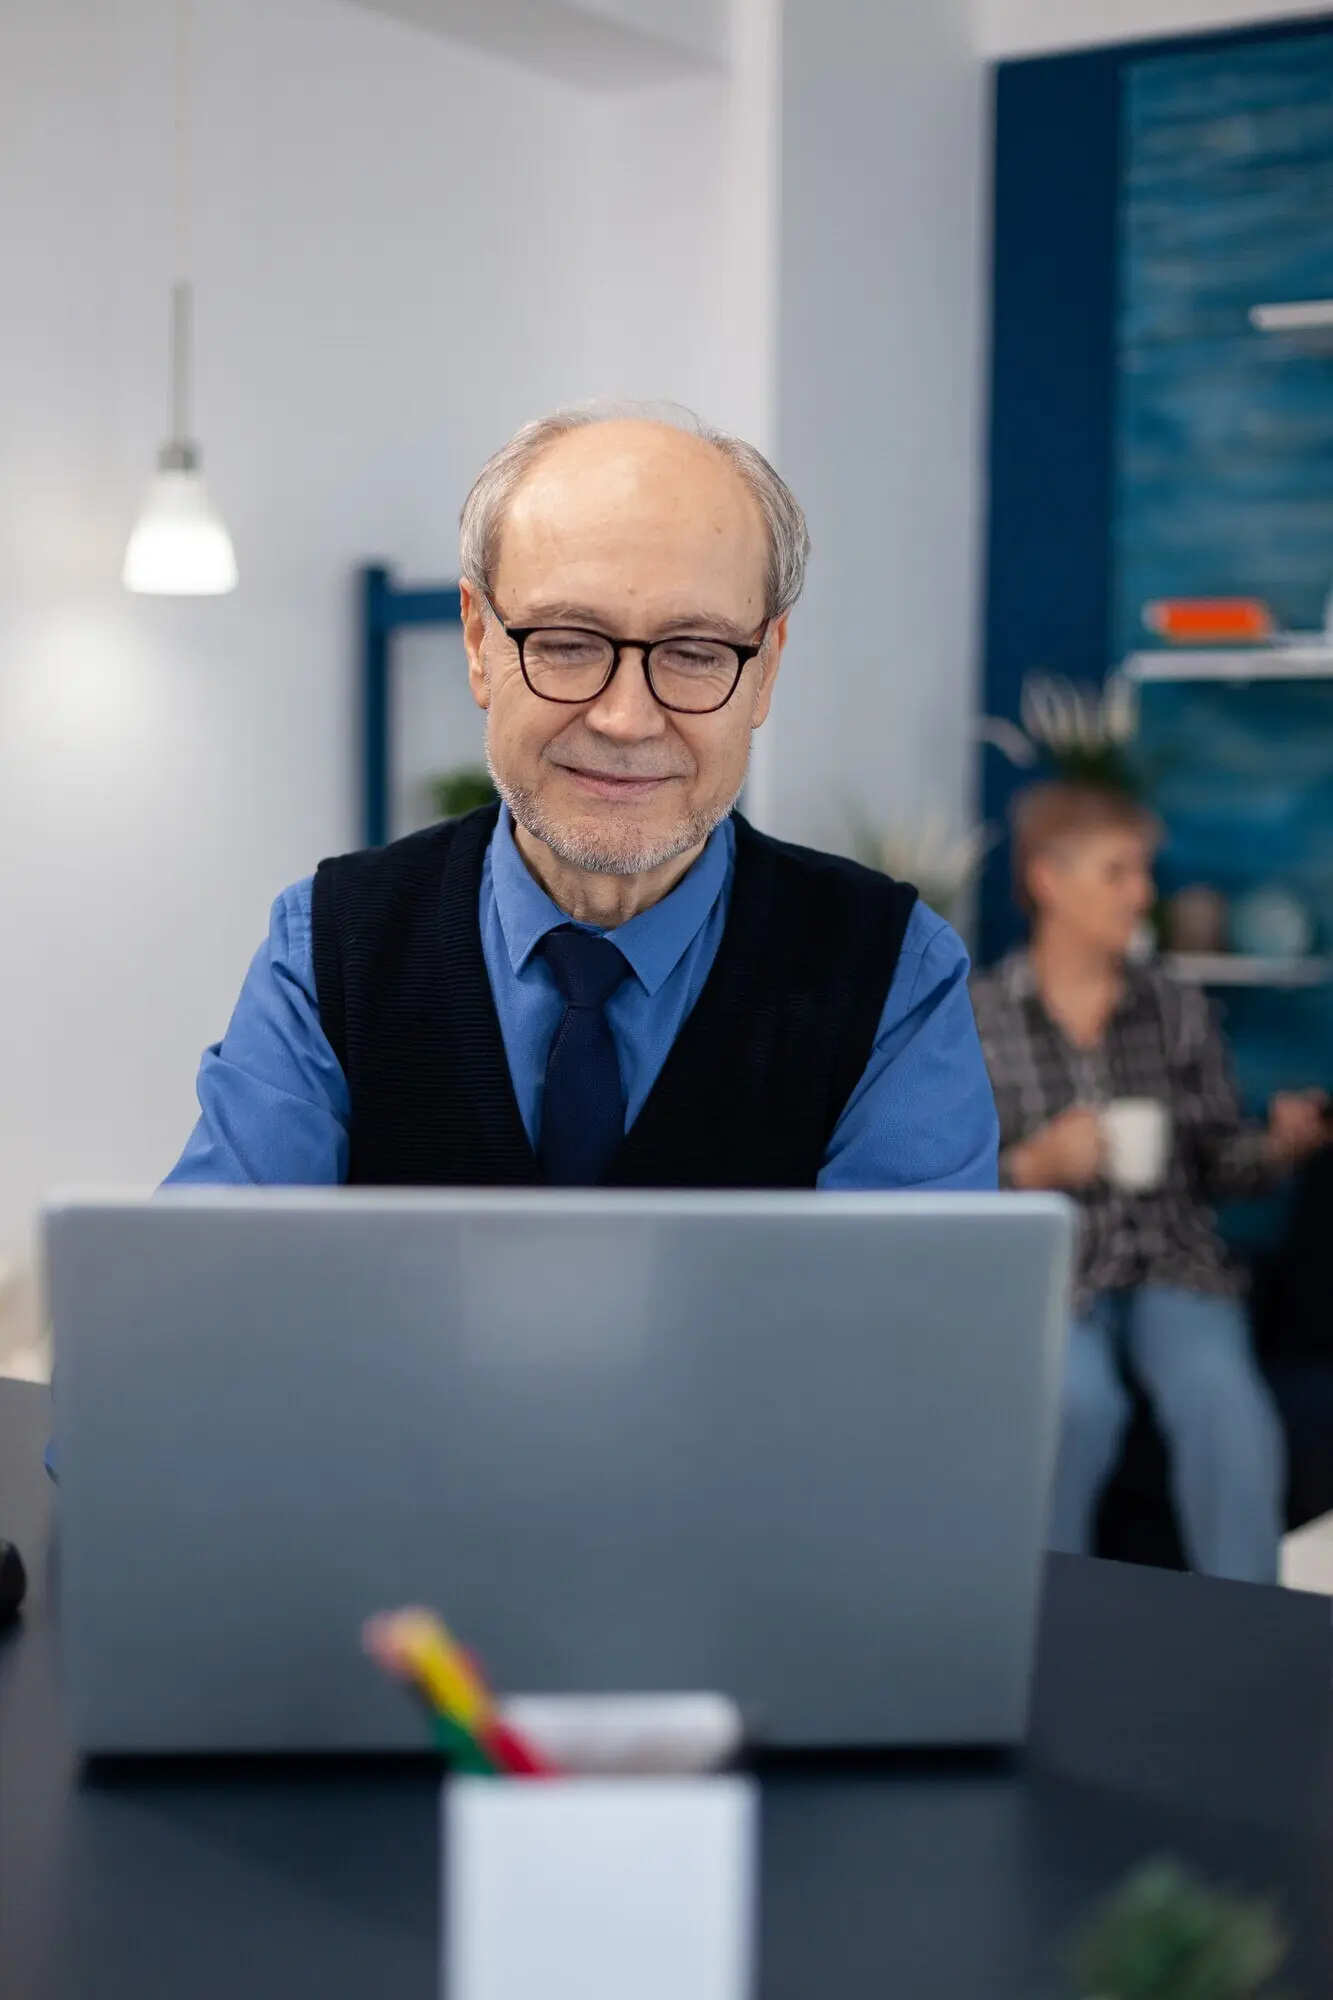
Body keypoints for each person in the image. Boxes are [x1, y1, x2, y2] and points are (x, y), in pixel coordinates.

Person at [166, 401, 999, 1194]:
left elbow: (914, 1337)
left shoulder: (893, 975)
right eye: (566, 643)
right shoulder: (329, 950)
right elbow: (200, 1301)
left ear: (766, 668)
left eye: (696, 652)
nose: (627, 719)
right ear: (478, 641)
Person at [971, 781, 1328, 1583]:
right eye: (1118, 872)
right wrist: (1031, 1168)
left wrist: (1274, 1147)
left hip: (1173, 1264)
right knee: (1075, 1409)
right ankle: (1044, 1632)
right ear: (1046, 881)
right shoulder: (978, 1015)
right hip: (1053, 1274)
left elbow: (1216, 1166)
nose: (1143, 894)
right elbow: (935, 1183)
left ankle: (1249, 1631)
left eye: (1143, 872)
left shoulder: (1175, 1008)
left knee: (1225, 1411)